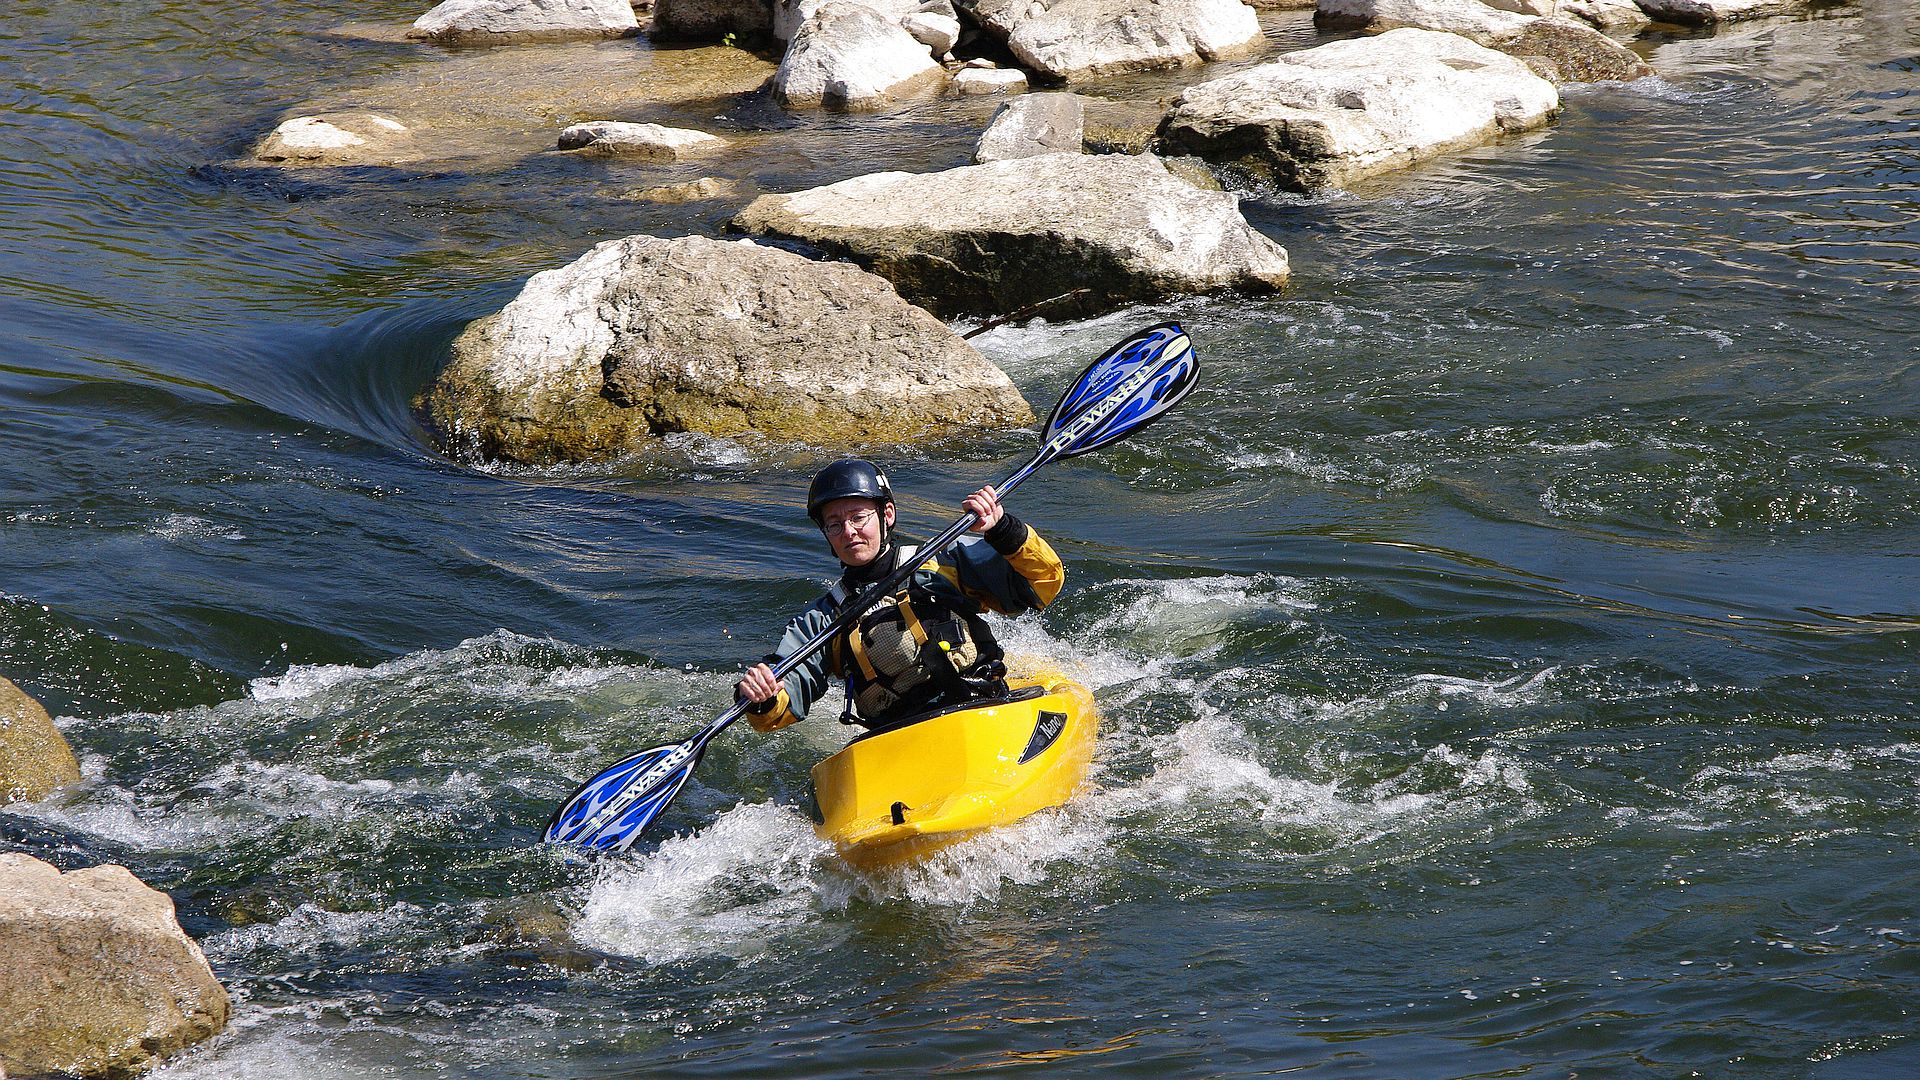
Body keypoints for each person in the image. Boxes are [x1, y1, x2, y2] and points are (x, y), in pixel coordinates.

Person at [733, 458, 1065, 734]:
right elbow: (782, 702)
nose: (848, 531)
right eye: (834, 524)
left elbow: (1043, 584)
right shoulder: (824, 618)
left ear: (886, 515)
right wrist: (763, 697)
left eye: (858, 517)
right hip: (898, 737)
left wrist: (1001, 529)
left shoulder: (943, 562)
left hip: (981, 708)